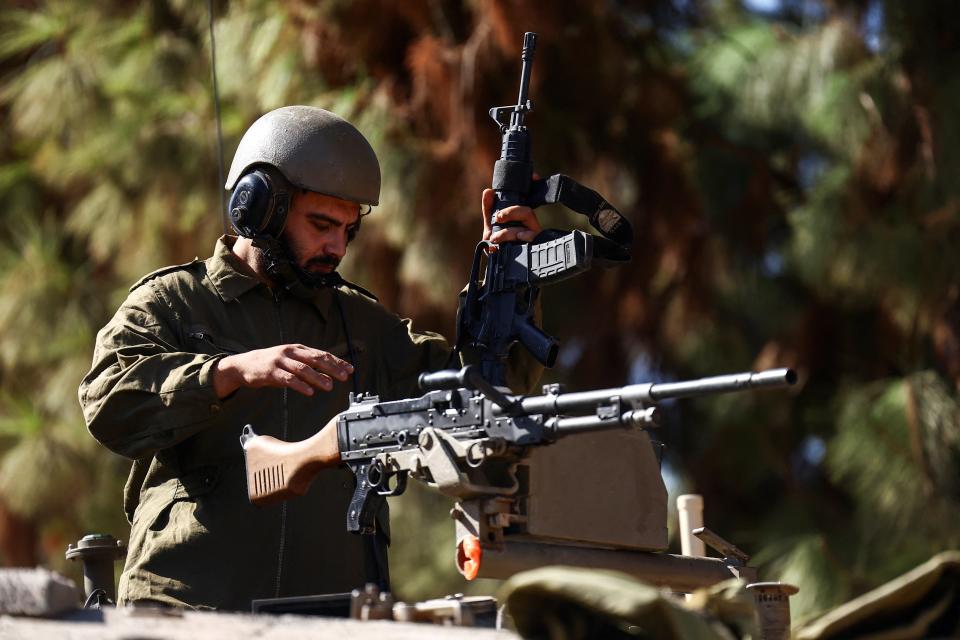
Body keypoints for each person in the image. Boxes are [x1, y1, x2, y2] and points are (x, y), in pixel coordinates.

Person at [78, 105, 543, 610]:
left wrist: (507, 282)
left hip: (330, 612)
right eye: (321, 224)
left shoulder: (362, 324)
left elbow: (482, 396)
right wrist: (229, 371)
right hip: (186, 607)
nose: (336, 247)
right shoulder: (174, 301)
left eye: (348, 230)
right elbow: (108, 403)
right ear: (260, 209)